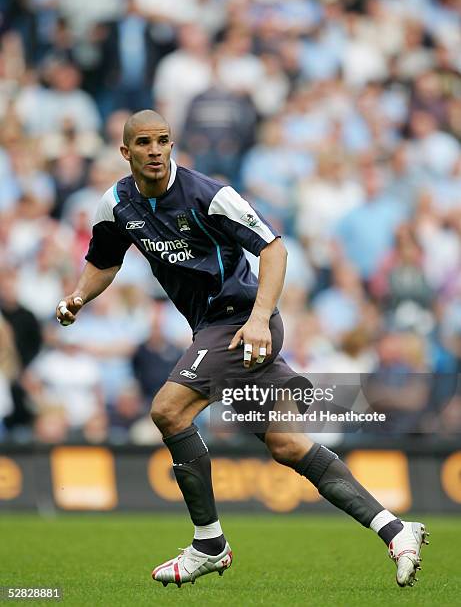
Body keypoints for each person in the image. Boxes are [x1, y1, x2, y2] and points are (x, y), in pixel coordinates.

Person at [56, 109, 429, 589]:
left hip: (241, 321)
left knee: (169, 411)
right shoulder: (116, 204)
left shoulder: (208, 195)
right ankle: (397, 531)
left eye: (163, 141)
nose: (155, 150)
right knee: (288, 444)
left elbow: (274, 249)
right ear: (125, 152)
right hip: (214, 329)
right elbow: (103, 261)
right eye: (144, 143)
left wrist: (257, 321)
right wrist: (80, 296)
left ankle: (209, 544)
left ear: (173, 145)